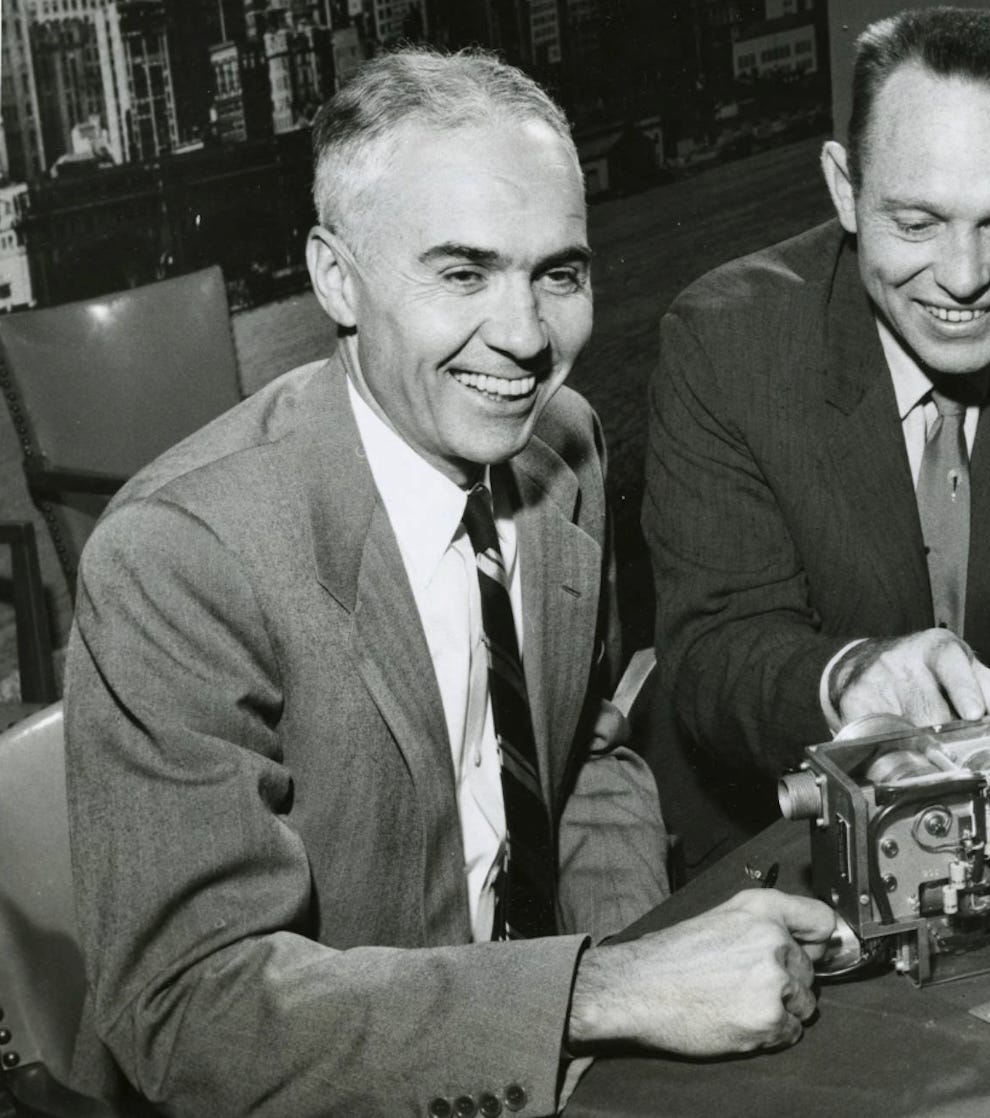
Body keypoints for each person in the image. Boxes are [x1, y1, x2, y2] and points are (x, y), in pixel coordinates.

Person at [63, 49, 834, 1118]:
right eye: (463, 272)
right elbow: (194, 1009)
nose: (525, 339)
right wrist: (598, 991)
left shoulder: (562, 447)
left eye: (557, 272)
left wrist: (637, 985)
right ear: (337, 277)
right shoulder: (180, 555)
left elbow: (586, 758)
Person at [643, 7, 990, 869]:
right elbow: (718, 647)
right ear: (843, 187)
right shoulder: (725, 344)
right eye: (915, 223)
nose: (964, 277)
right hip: (789, 830)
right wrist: (850, 678)